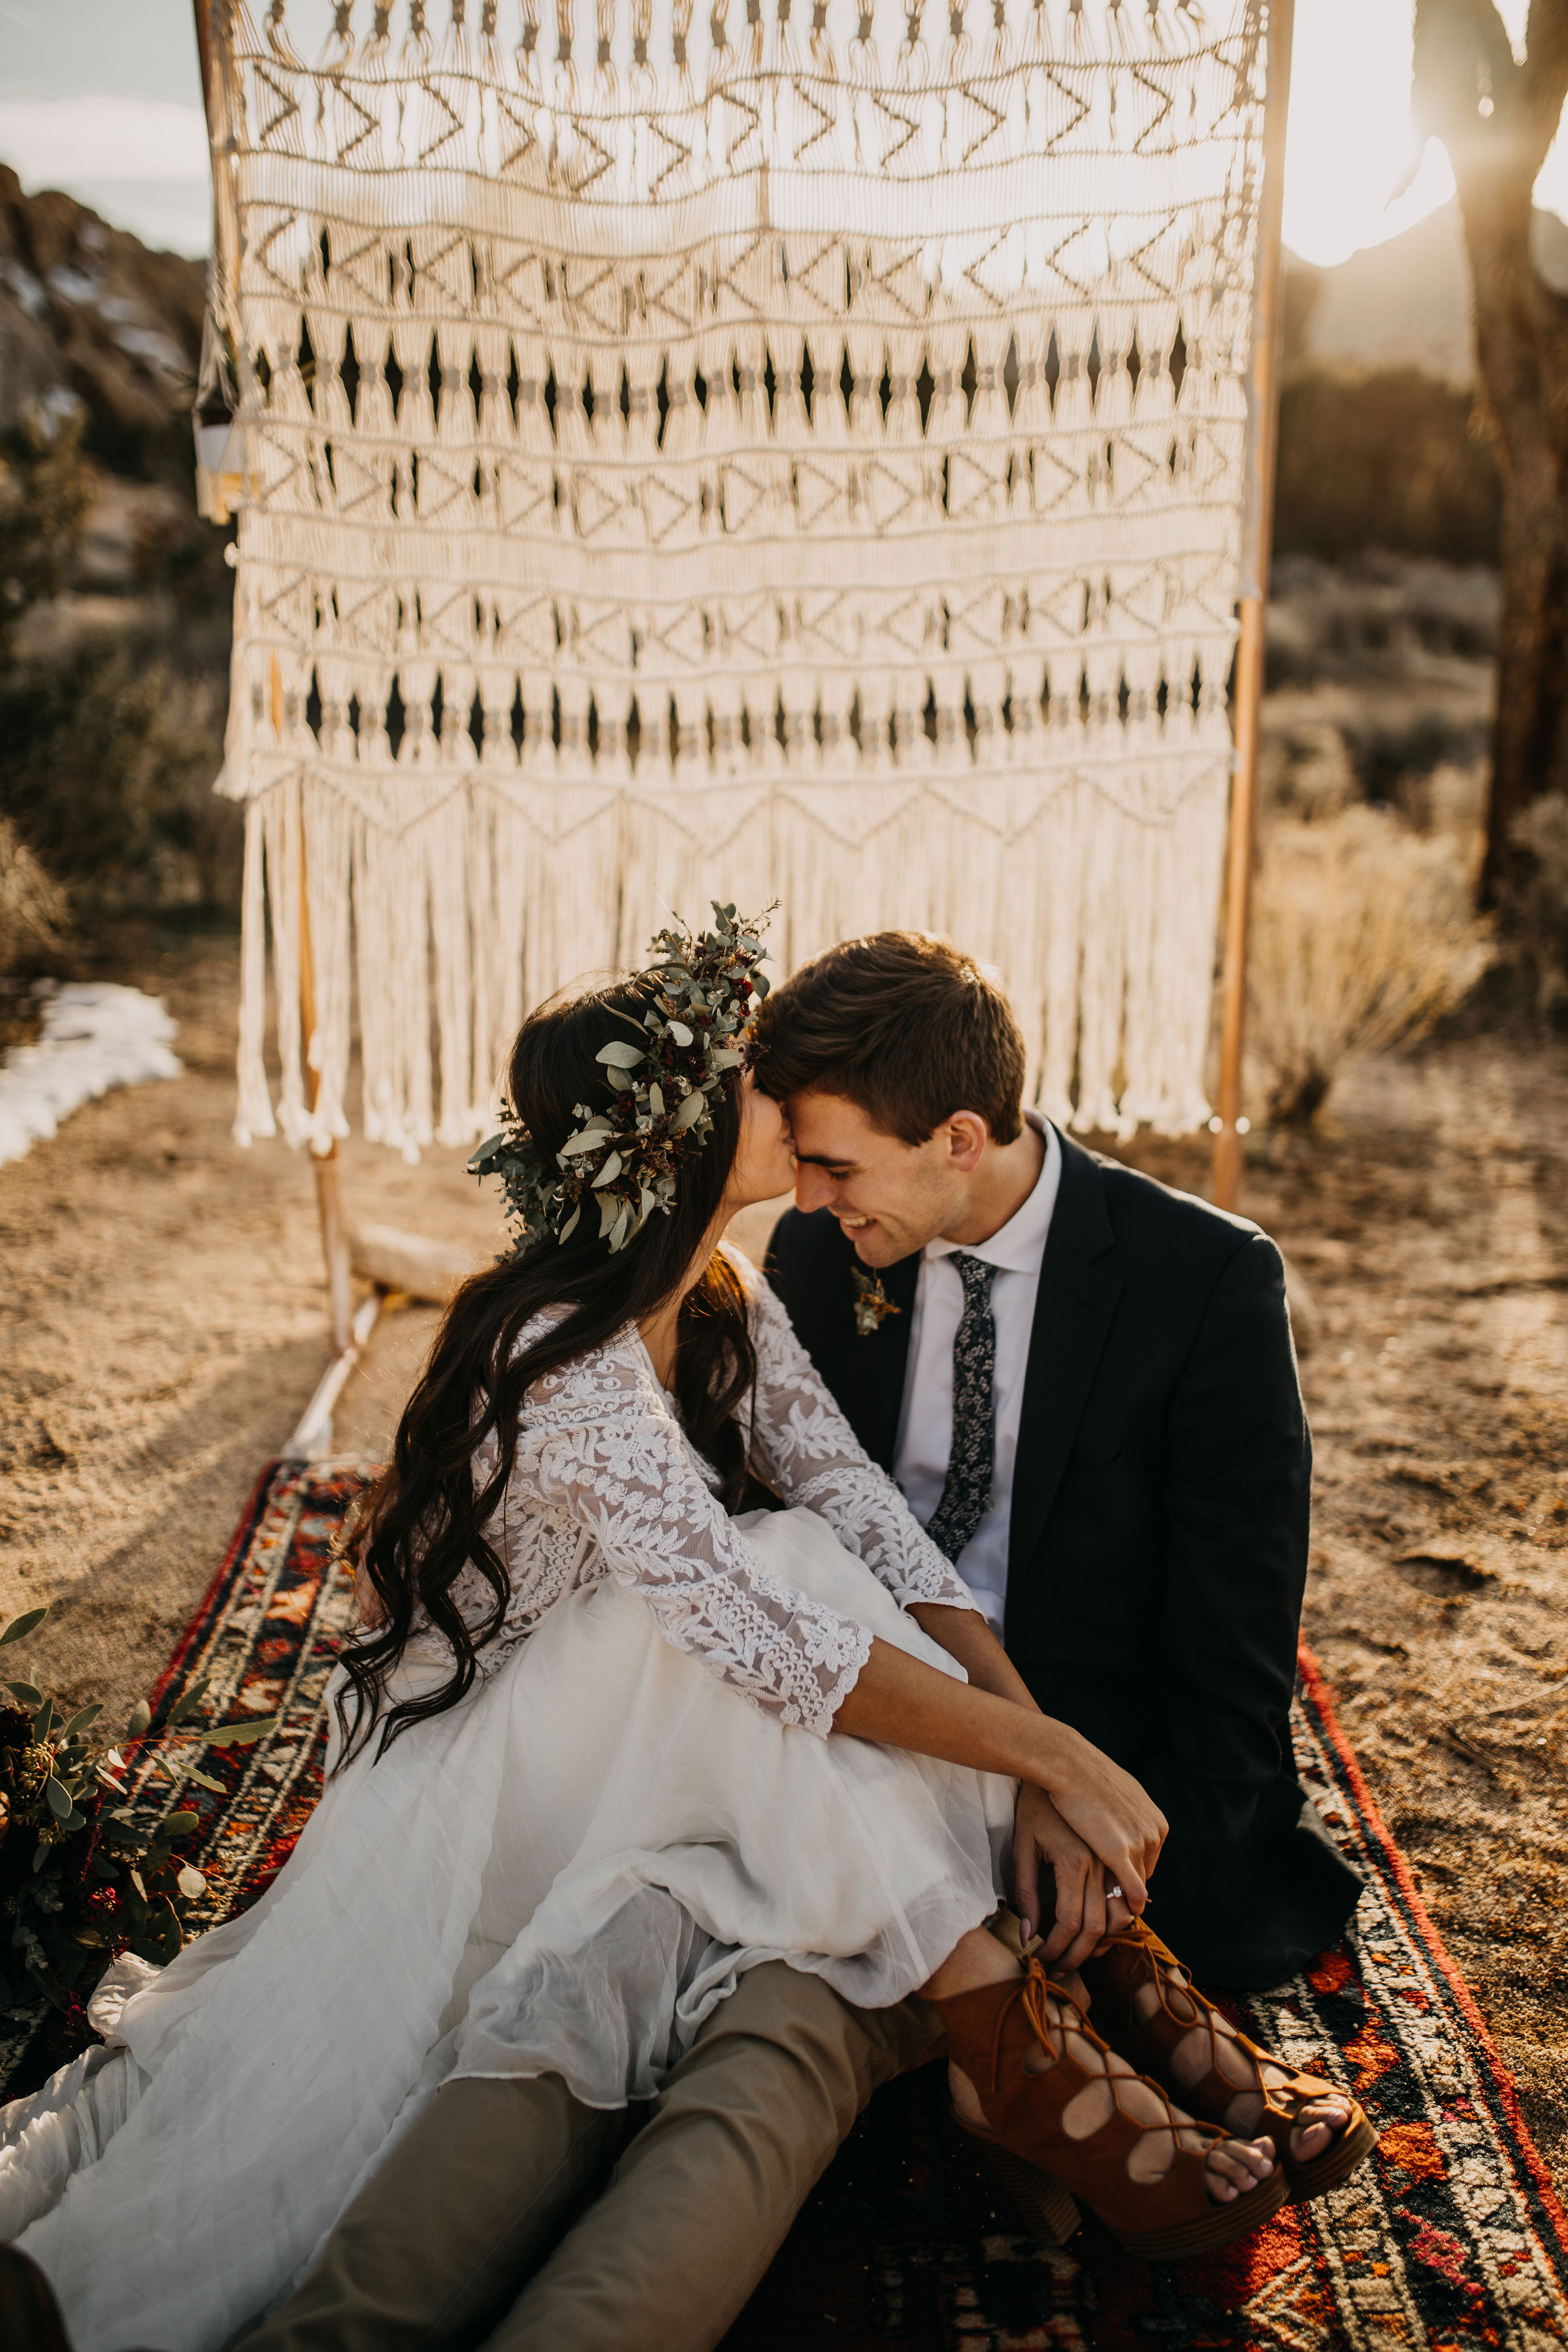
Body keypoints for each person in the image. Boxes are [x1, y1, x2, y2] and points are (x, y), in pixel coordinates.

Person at [0, 911, 1369, 2352]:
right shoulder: (565, 1354)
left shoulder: (723, 1294)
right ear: (678, 1145)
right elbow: (748, 1628)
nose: (790, 1119)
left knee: (805, 1548)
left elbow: (866, 1513)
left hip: (630, 1719)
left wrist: (1044, 1751)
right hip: (496, 1767)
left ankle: (1035, 2021)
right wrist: (1049, 1757)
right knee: (752, 1591)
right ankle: (1011, 2009)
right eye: (756, 1089)